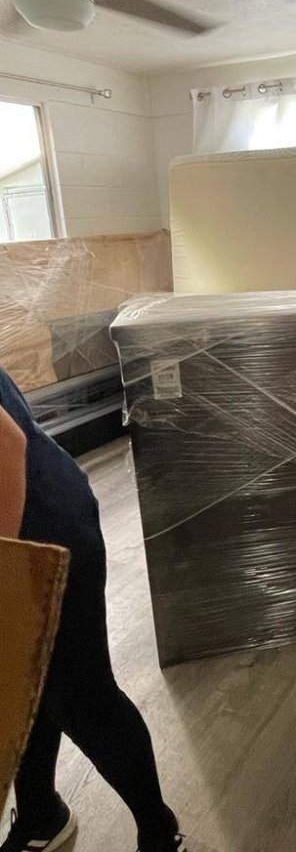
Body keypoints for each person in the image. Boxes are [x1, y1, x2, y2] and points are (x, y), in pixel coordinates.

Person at [0, 364, 188, 852]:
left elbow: (5, 446)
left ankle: (159, 833)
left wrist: (5, 574)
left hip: (40, 531)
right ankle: (41, 813)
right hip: (38, 509)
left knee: (80, 697)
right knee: (24, 683)